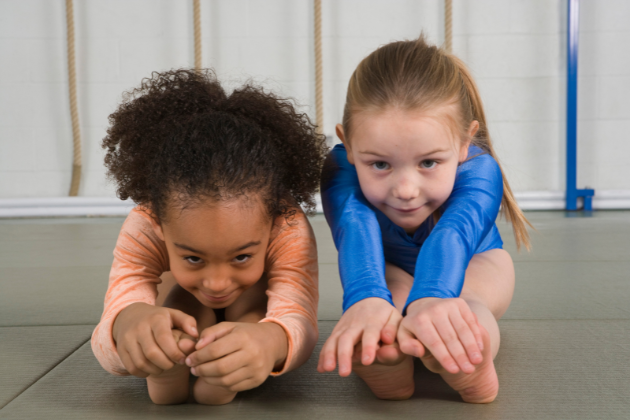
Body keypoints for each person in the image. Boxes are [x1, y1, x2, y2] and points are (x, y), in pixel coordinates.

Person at [91, 69, 326, 405]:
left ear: (272, 226)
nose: (217, 283)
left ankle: (227, 363)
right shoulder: (143, 224)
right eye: (194, 257)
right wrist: (127, 325)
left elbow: (298, 315)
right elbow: (107, 332)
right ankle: (171, 358)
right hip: (181, 305)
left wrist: (269, 341)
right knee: (170, 306)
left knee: (252, 304)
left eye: (241, 256)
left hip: (251, 305)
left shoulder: (287, 225)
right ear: (158, 224)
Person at [317, 36, 531, 403]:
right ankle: (386, 360)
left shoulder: (481, 171)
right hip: (392, 265)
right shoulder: (339, 170)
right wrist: (367, 300)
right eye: (380, 164)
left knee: (468, 306)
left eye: (428, 163)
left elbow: (453, 235)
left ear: (465, 143)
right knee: (390, 306)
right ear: (347, 144)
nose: (405, 189)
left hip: (475, 264)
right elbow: (356, 229)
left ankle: (471, 356)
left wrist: (435, 295)